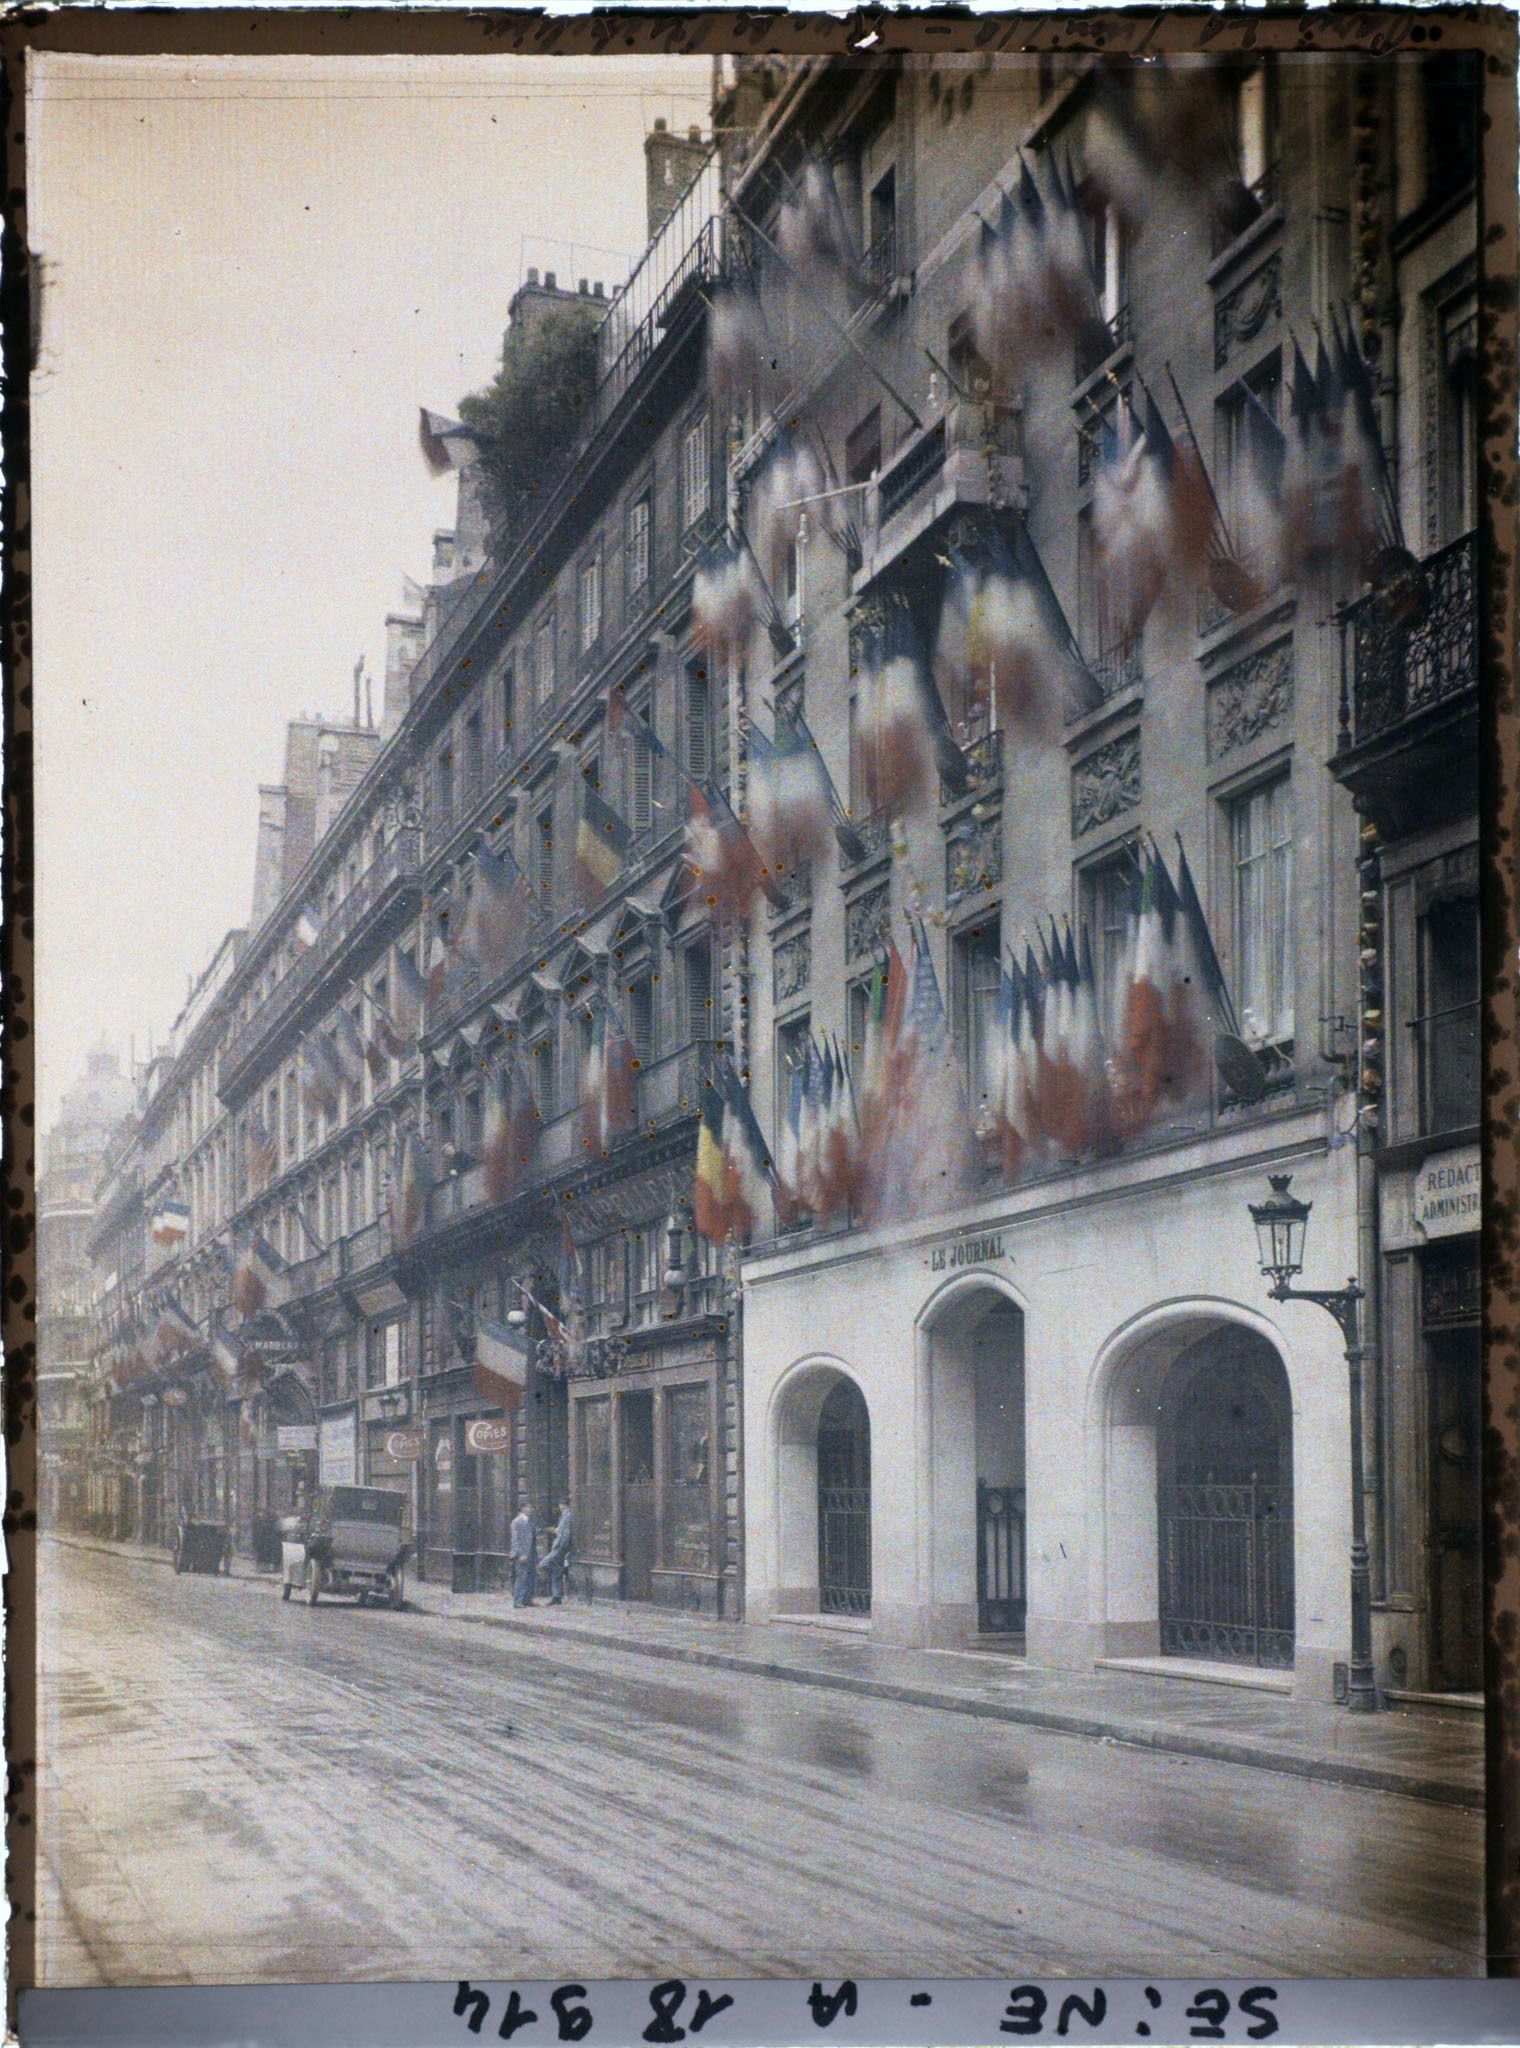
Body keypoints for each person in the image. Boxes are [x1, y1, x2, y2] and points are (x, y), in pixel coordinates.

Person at [542, 1496, 572, 1605]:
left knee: (543, 1564)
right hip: (559, 1546)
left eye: (561, 1504)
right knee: (555, 1571)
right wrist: (555, 1530)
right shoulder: (564, 1515)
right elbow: (562, 1531)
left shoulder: (568, 1515)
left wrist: (560, 1546)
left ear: (563, 1505)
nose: (560, 1507)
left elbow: (566, 1534)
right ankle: (557, 1596)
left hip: (559, 1547)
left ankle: (564, 1570)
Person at [509, 1499, 537, 1608]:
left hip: (530, 1553)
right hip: (522, 1554)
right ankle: (517, 1601)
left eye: (531, 1508)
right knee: (521, 1577)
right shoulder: (517, 1521)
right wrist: (521, 1554)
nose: (531, 1510)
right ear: (522, 1508)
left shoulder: (529, 1521)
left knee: (530, 1576)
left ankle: (527, 1599)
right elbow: (515, 1540)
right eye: (528, 1507)